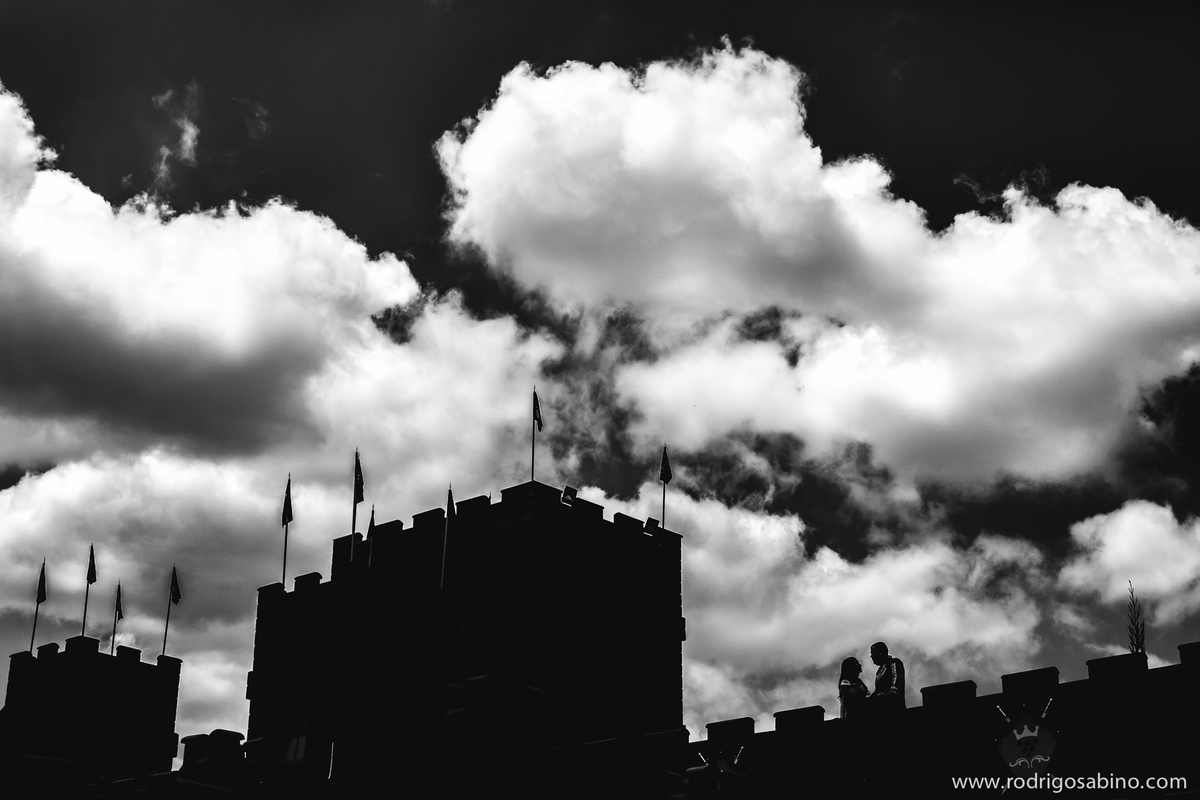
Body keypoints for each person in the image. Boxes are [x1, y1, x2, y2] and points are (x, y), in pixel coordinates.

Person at [869, 641, 905, 711]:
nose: (871, 656)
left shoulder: (894, 662)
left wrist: (893, 691)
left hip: (894, 707)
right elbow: (877, 690)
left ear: (880, 652)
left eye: (873, 653)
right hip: (881, 707)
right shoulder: (879, 671)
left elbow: (896, 677)